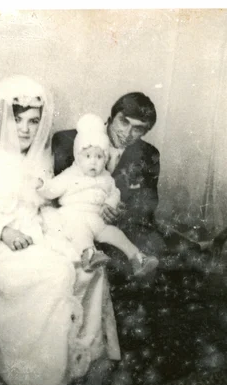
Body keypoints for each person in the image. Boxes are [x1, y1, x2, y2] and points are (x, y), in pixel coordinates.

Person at [0, 75, 120, 385]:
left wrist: (60, 232)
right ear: (2, 118)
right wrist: (1, 232)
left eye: (33, 122)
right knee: (52, 276)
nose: (26, 130)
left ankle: (78, 368)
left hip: (33, 233)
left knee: (84, 266)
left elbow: (43, 203)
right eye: (17, 120)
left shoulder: (37, 157)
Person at [37, 113, 159, 277]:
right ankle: (89, 255)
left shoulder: (106, 178)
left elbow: (114, 193)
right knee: (81, 234)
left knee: (116, 234)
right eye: (88, 156)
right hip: (74, 216)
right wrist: (42, 185)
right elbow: (53, 189)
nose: (94, 161)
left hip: (97, 219)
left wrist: (110, 204)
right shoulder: (70, 174)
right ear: (78, 157)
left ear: (105, 159)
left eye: (99, 157)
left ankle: (137, 258)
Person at [51, 92, 166, 263]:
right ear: (111, 118)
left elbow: (148, 204)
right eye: (124, 121)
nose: (127, 133)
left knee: (161, 254)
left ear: (146, 131)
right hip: (73, 225)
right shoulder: (68, 140)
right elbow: (54, 194)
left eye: (138, 128)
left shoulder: (148, 155)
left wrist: (121, 211)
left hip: (118, 229)